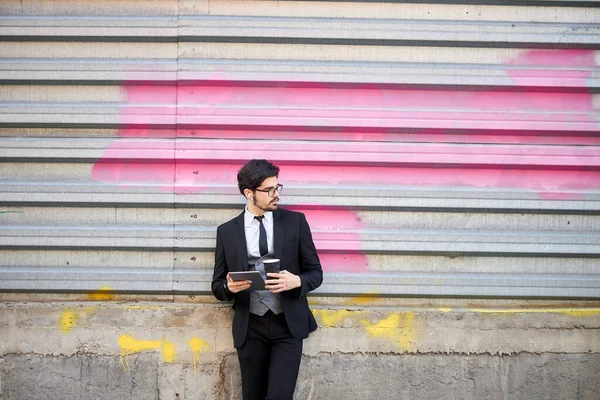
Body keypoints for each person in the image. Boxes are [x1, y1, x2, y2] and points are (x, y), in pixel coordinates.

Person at [211, 159, 323, 400]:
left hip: (287, 324)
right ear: (249, 194)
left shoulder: (296, 223)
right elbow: (217, 285)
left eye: (277, 187)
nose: (276, 195)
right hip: (250, 327)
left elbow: (316, 272)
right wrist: (228, 287)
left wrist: (298, 282)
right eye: (269, 190)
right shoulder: (227, 232)